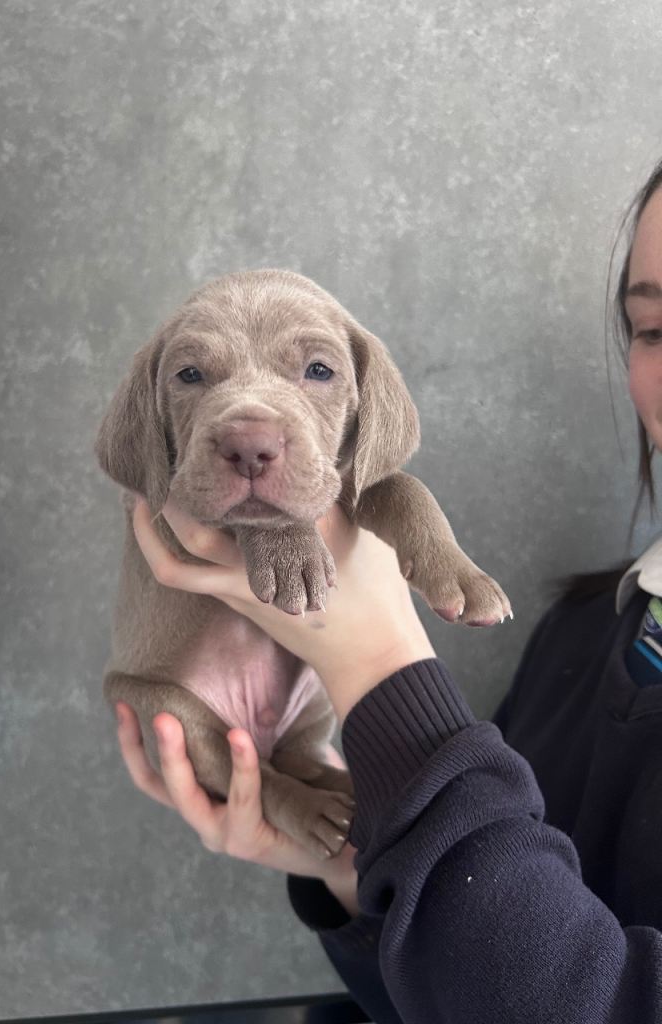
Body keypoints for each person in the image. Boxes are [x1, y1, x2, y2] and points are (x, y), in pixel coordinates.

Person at [114, 159, 662, 1023]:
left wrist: (378, 660)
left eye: (316, 372)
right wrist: (352, 867)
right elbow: (443, 989)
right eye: (657, 330)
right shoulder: (583, 633)